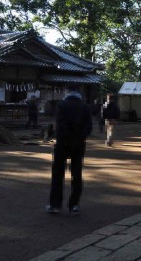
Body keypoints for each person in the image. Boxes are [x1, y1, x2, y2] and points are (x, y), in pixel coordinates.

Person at [46, 86, 92, 215]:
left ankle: (55, 204)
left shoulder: (62, 105)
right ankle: (74, 205)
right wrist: (80, 138)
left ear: (67, 92)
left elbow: (60, 125)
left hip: (62, 144)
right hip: (78, 144)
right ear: (79, 92)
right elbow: (88, 127)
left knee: (57, 174)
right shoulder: (85, 106)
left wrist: (64, 139)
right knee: (77, 174)